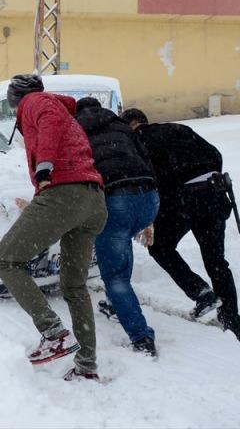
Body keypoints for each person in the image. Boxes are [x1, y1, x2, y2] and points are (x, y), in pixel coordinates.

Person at [0, 74, 107, 382]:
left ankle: (53, 332)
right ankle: (87, 365)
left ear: (15, 97)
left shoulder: (37, 101)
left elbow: (49, 122)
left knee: (5, 260)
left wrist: (45, 165)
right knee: (74, 286)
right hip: (93, 200)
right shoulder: (62, 110)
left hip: (64, 194)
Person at [121, 108, 240, 341]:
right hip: (214, 194)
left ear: (130, 126)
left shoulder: (138, 141)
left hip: (182, 201)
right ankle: (232, 325)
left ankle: (201, 292)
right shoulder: (180, 129)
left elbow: (148, 180)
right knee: (217, 262)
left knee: (160, 247)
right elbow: (215, 154)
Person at [74, 97, 159, 357]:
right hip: (149, 196)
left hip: (115, 199)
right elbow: (146, 158)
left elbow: (77, 170)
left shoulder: (76, 129)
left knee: (116, 277)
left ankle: (141, 338)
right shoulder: (121, 126)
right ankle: (115, 305)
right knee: (121, 244)